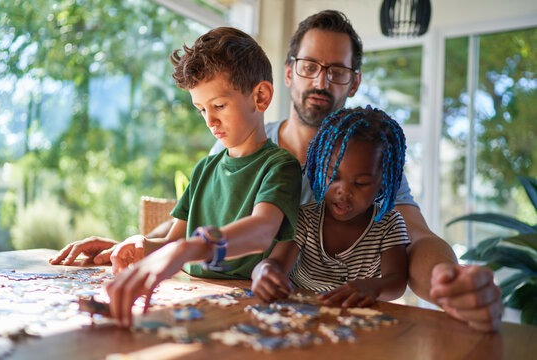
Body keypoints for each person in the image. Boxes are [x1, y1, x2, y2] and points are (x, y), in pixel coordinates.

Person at [50, 10, 502, 332]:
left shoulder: (373, 159)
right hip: (258, 318)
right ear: (288, 74)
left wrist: (448, 283)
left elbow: (415, 237)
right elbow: (186, 229)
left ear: (354, 81)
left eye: (338, 71)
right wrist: (134, 245)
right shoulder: (232, 143)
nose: (321, 81)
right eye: (309, 66)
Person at [103, 27, 301, 326]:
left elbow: (262, 231)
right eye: (201, 109)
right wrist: (142, 245)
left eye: (219, 105)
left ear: (260, 96)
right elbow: (174, 240)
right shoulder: (204, 168)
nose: (210, 120)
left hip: (246, 304)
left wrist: (188, 249)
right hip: (187, 296)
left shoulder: (280, 166)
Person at [252, 106, 410, 308]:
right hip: (300, 313)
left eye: (360, 183)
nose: (343, 191)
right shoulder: (306, 219)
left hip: (357, 319)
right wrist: (262, 271)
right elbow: (276, 263)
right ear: (318, 170)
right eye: (332, 177)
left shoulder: (389, 225)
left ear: (383, 182)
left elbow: (397, 281)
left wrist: (374, 287)